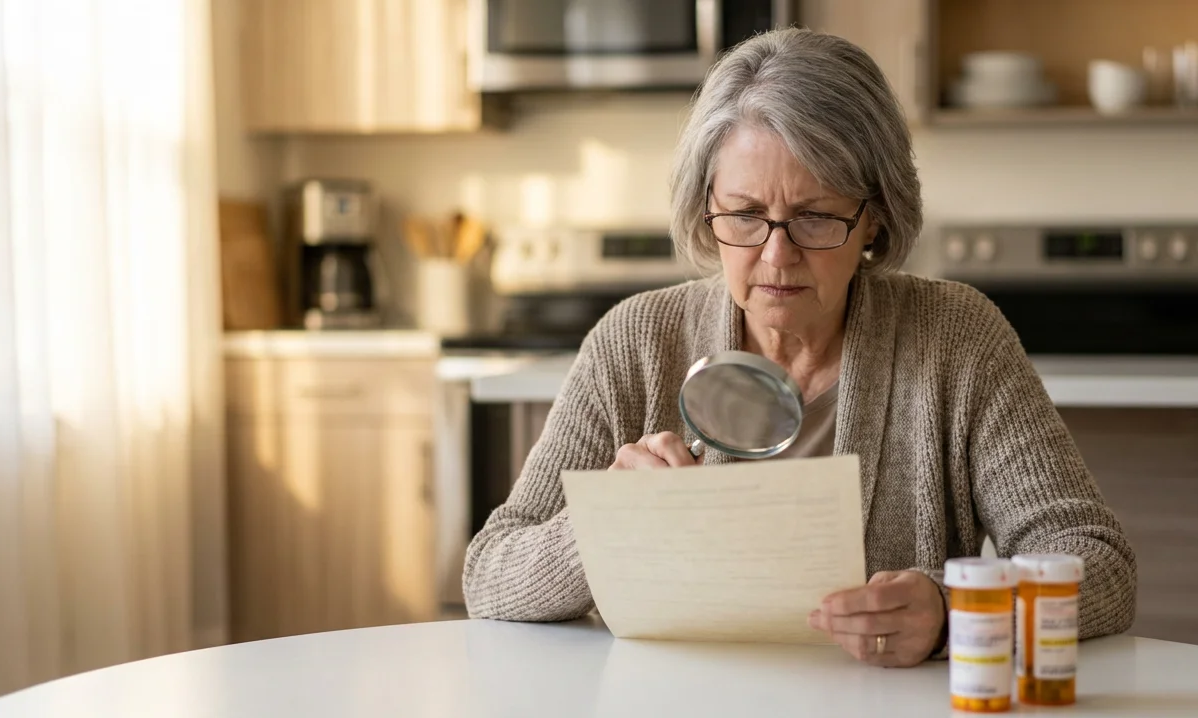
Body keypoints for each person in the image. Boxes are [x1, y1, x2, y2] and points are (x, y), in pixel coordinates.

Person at [462, 27, 1137, 667]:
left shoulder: (955, 340)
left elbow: (1098, 564)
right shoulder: (634, 342)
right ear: (706, 208)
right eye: (746, 214)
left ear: (873, 217)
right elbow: (489, 577)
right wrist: (605, 522)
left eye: (815, 216)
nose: (776, 256)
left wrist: (953, 612)